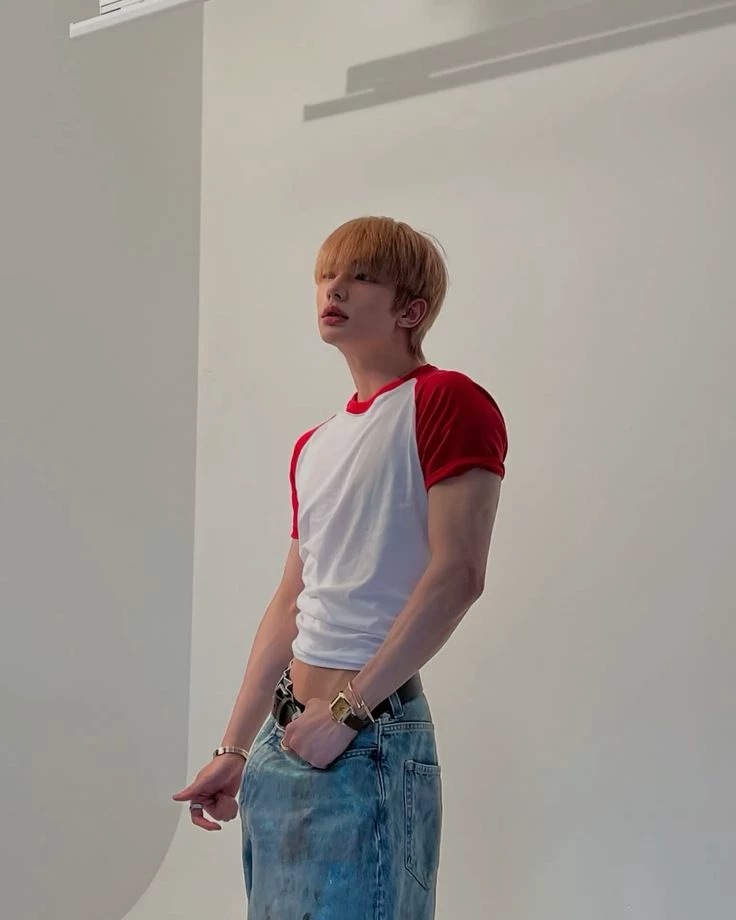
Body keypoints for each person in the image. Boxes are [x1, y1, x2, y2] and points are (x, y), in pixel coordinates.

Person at [173, 216, 508, 919]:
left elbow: (458, 575)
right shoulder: (316, 444)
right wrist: (236, 746)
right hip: (286, 737)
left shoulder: (446, 401)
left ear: (410, 309)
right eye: (327, 275)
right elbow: (291, 601)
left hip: (367, 734)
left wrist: (349, 713)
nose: (335, 289)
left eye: (361, 276)